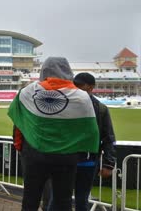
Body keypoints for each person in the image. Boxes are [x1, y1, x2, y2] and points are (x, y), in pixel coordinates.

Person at [8, 57, 99, 211]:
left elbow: (18, 125)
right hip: (66, 157)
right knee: (63, 200)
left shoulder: (27, 92)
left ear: (43, 70)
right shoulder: (82, 97)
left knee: (30, 199)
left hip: (34, 155)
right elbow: (90, 131)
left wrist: (21, 148)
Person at [72, 72, 116, 211]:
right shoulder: (66, 104)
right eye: (75, 85)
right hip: (65, 160)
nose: (76, 88)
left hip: (88, 162)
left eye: (80, 86)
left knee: (81, 200)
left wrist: (109, 164)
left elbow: (109, 137)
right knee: (59, 199)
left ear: (91, 87)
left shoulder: (101, 109)